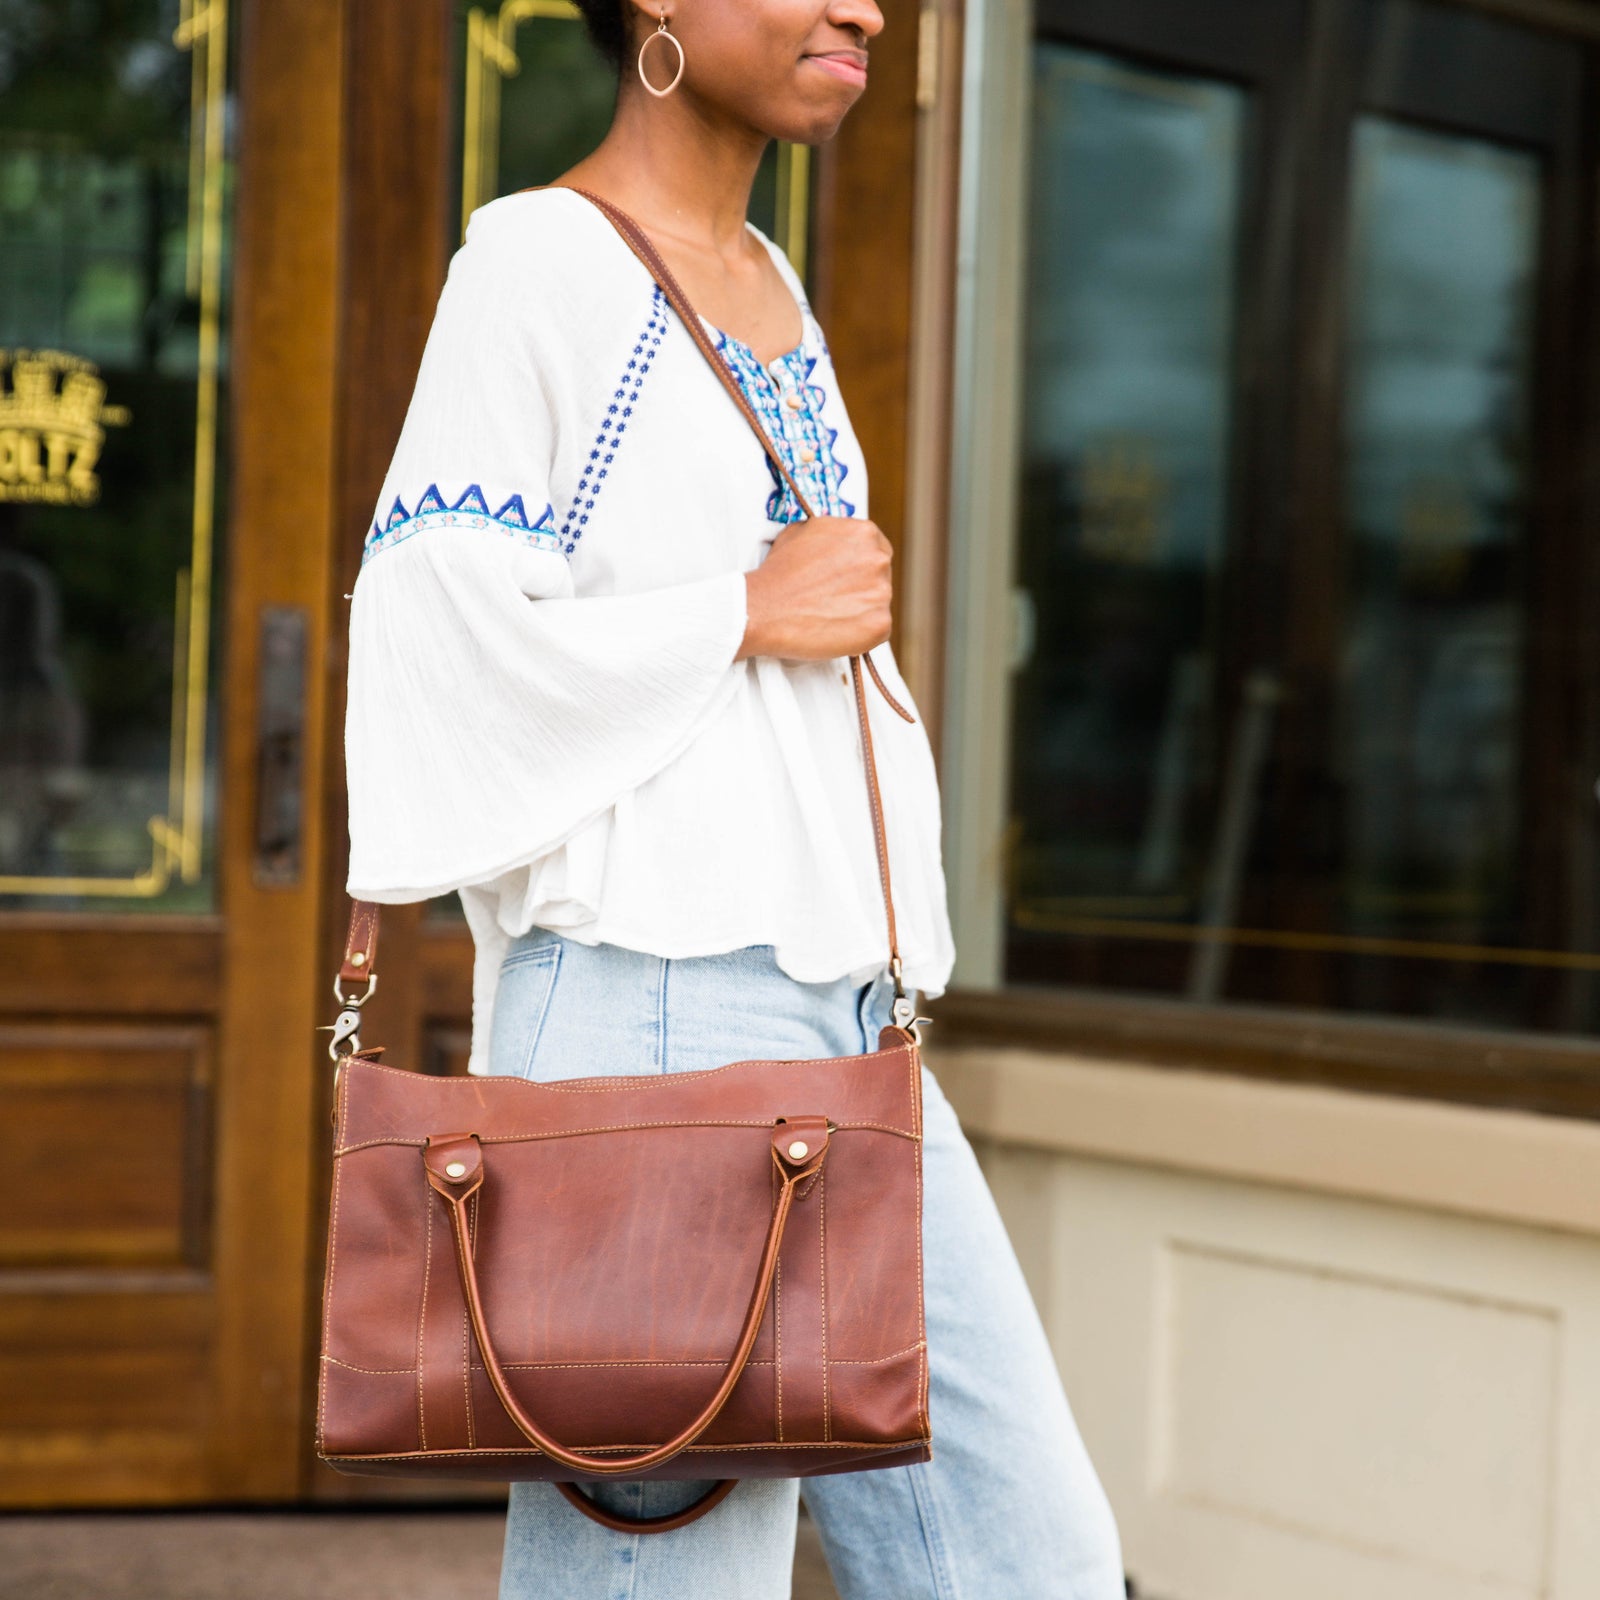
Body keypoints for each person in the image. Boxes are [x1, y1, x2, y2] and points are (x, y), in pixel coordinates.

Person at [342, 0, 1124, 1593]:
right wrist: (744, 612)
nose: (864, 10)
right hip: (645, 1002)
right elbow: (429, 644)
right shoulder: (535, 266)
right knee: (675, 1575)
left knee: (1027, 1552)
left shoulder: (775, 286)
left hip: (842, 1014)